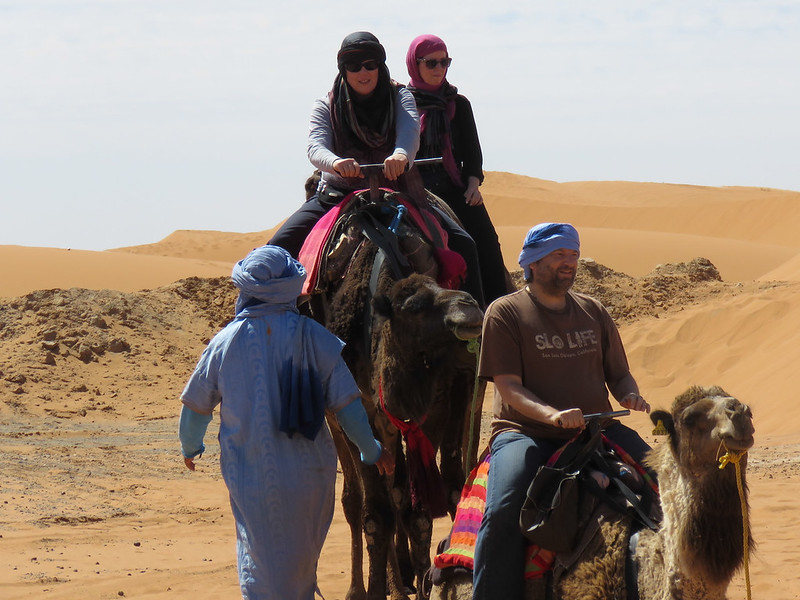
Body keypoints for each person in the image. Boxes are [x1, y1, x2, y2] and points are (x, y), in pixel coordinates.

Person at [178, 245, 394, 600]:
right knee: (298, 563)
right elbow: (348, 405)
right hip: (309, 477)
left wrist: (190, 447)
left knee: (259, 558)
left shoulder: (224, 343)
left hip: (250, 478)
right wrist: (372, 450)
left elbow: (196, 407)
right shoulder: (314, 337)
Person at [471, 223, 652, 600]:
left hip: (596, 429)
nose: (569, 262)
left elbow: (619, 375)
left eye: (573, 254)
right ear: (533, 262)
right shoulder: (504, 313)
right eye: (558, 255)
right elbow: (509, 386)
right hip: (525, 432)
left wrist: (630, 396)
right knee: (505, 506)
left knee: (664, 479)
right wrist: (552, 416)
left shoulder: (593, 311)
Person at [268, 31, 420, 259]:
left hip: (397, 193)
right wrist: (336, 162)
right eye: (354, 66)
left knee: (462, 242)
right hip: (337, 195)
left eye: (370, 65)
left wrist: (400, 155)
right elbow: (316, 147)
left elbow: (410, 130)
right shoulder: (324, 105)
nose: (363, 72)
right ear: (343, 69)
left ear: (380, 66)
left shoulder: (400, 96)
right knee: (275, 249)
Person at [406, 34, 508, 305]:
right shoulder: (402, 105)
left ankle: (497, 312)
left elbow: (472, 154)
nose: (439, 69)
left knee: (486, 243)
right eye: (431, 63)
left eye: (444, 62)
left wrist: (474, 184)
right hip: (414, 187)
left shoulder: (458, 104)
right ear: (415, 64)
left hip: (455, 185)